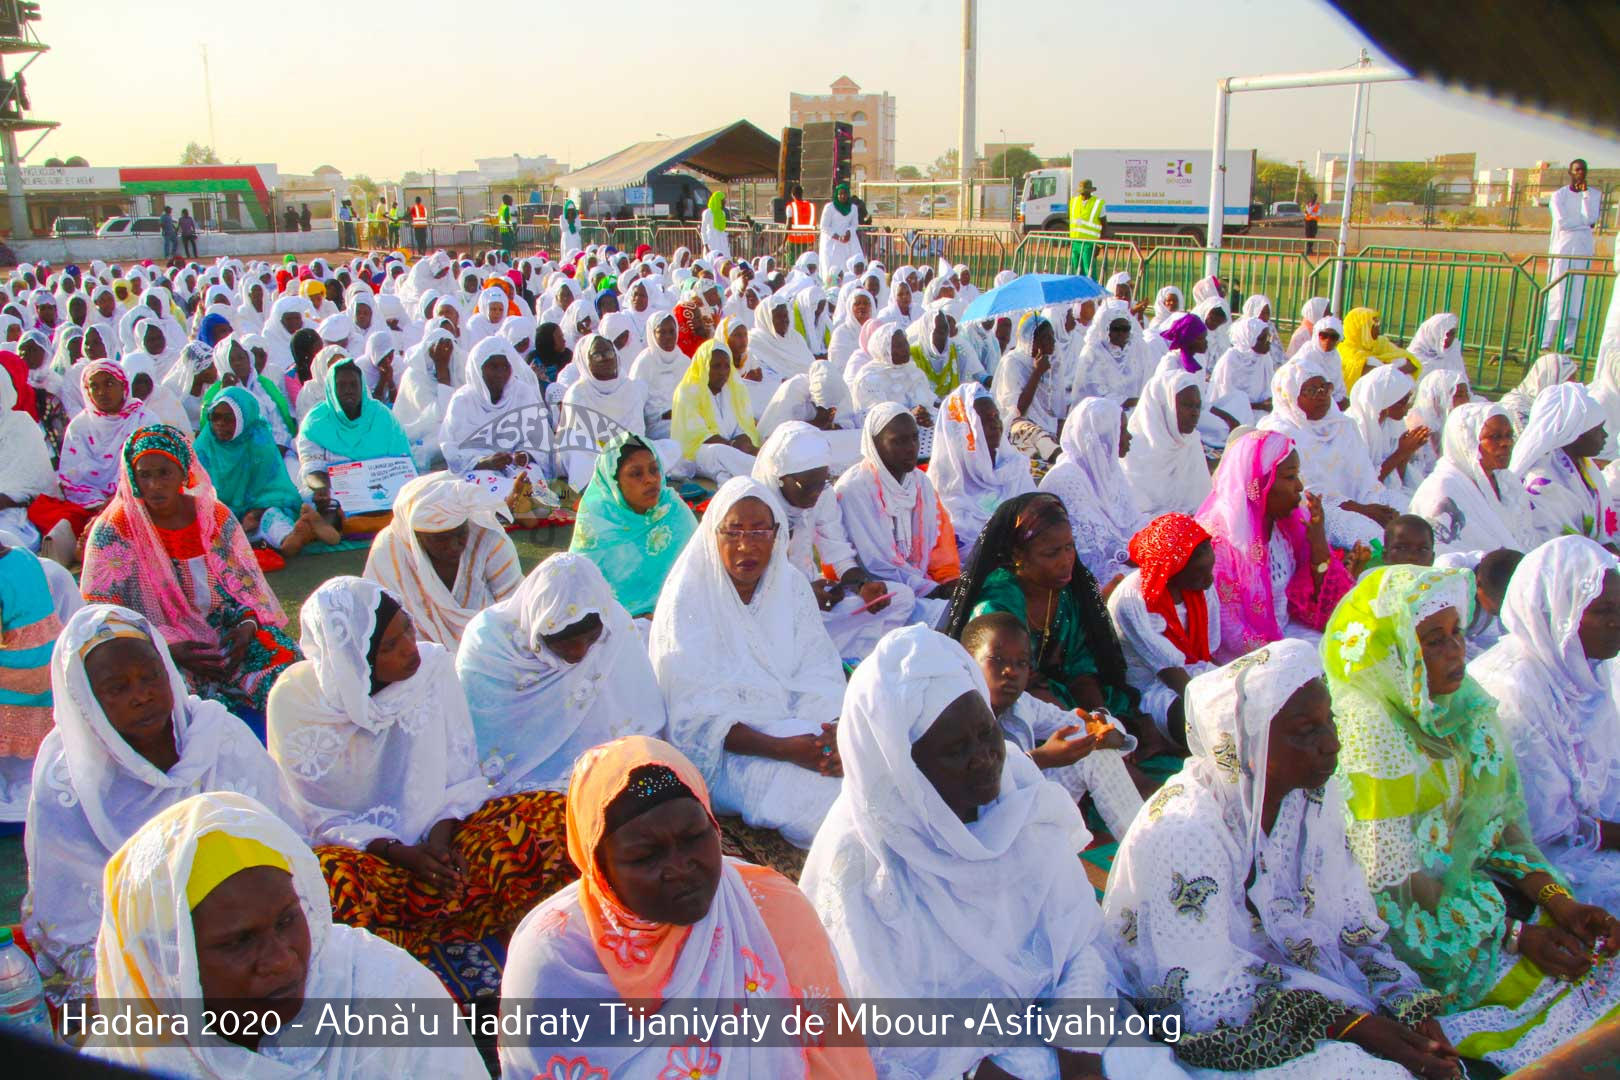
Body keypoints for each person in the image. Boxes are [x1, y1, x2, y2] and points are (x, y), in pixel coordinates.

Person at [800, 625, 1183, 1080]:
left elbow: (1077, 941)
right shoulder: (862, 862)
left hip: (1056, 1027)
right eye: (956, 750)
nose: (985, 758)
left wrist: (1078, 1058)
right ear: (905, 770)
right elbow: (890, 1034)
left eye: (986, 734)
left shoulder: (1019, 794)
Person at [1103, 639, 1458, 1080]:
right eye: (1306, 731)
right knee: (1363, 1070)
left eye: (1329, 721)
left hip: (1288, 980)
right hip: (1200, 1007)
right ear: (1250, 742)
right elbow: (1199, 986)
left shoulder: (1309, 798)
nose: (1332, 744)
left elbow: (1352, 923)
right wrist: (1350, 1025)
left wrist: (1406, 1006)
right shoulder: (1185, 827)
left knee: (1432, 1048)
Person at [1325, 564, 1620, 1074]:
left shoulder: (1464, 708)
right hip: (1421, 934)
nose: (1456, 650)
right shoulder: (1372, 734)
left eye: (1457, 633)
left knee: (1598, 960)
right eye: (1432, 641)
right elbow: (1394, 890)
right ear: (1393, 652)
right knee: (1566, 1015)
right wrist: (1516, 936)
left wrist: (1561, 901)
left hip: (1478, 901)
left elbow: (1506, 826)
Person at [499, 734, 875, 1080]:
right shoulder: (555, 958)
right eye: (646, 856)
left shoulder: (771, 906)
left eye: (695, 837)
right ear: (600, 869)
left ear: (714, 827)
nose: (679, 868)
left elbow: (831, 1050)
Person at [268, 577, 579, 962]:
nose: (409, 649)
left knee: (552, 816)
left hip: (448, 840)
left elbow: (459, 773)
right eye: (390, 646)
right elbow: (316, 816)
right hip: (372, 861)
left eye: (408, 630)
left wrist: (439, 844)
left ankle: (449, 924)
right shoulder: (296, 702)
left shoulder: (432, 668)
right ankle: (435, 936)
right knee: (325, 882)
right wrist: (402, 854)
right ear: (353, 660)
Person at [90, 791, 487, 1078]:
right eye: (238, 942)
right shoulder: (137, 1050)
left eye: (286, 921)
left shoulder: (386, 992)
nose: (282, 959)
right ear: (170, 961)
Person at [22, 606, 293, 1007]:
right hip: (140, 938)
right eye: (118, 688)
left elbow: (280, 839)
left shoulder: (217, 735)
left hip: (250, 914)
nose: (142, 695)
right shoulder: (66, 778)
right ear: (86, 700)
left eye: (151, 676)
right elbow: (76, 914)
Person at [649, 477, 846, 848]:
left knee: (872, 771)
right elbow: (695, 722)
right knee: (824, 805)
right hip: (728, 755)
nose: (746, 545)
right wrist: (788, 749)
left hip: (801, 732)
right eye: (734, 531)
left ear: (776, 535)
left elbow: (819, 671)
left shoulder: (792, 586)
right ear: (714, 534)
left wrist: (833, 735)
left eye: (759, 531)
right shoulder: (689, 597)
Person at [80, 424, 301, 714]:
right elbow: (101, 609)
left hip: (223, 632)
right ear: (132, 478)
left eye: (164, 473)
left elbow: (247, 588)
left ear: (184, 473)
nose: (155, 485)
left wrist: (247, 628)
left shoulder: (214, 516)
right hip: (151, 643)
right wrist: (163, 647)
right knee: (169, 700)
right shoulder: (114, 529)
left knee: (287, 670)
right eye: (144, 475)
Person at [1471, 536, 1620, 913]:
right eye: (1603, 610)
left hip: (1587, 839)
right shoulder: (1514, 688)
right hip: (1532, 866)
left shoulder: (1586, 671)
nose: (1617, 621)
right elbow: (1540, 829)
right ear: (1559, 613)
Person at [458, 553, 666, 801]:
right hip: (517, 786)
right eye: (563, 643)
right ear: (538, 628)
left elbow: (638, 717)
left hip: (604, 774)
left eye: (590, 639)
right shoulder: (490, 643)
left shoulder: (614, 625)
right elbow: (476, 739)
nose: (578, 653)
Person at [945, 491, 1140, 729]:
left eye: (1069, 547)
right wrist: (1076, 725)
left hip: (1061, 694)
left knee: (1135, 727)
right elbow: (1009, 682)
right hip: (1010, 699)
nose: (1066, 560)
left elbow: (1081, 668)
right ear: (1018, 555)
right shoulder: (996, 603)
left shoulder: (1067, 594)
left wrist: (1099, 715)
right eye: (1051, 553)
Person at [962, 611, 1143, 837]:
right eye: (997, 660)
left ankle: (1143, 845)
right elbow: (964, 786)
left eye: (1022, 663)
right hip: (974, 832)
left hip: (1024, 814)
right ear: (967, 660)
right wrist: (1040, 759)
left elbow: (1080, 722)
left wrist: (1106, 730)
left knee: (1093, 750)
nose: (1011, 671)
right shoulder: (951, 712)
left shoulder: (1023, 704)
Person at [751, 422, 916, 660]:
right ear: (779, 478)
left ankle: (821, 652)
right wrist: (802, 594)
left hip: (813, 604)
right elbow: (749, 588)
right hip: (769, 611)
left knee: (901, 598)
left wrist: (862, 586)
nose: (816, 493)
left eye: (823, 483)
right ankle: (817, 653)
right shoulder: (755, 509)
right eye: (808, 486)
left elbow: (838, 553)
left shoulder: (822, 495)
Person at [1196, 430, 1353, 660]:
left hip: (1289, 635)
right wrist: (1282, 655)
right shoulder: (1221, 541)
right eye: (1290, 477)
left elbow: (1322, 602)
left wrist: (1318, 544)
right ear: (1259, 482)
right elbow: (1230, 632)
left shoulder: (1288, 527)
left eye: (1297, 476)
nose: (1300, 487)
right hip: (1251, 657)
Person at [362, 471, 521, 649]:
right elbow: (378, 618)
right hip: (417, 657)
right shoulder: (389, 549)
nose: (454, 545)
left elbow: (515, 607)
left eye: (460, 533)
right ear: (415, 536)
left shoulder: (489, 538)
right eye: (440, 539)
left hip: (490, 648)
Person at [835, 403, 959, 622]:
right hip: (871, 590)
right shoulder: (854, 489)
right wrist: (932, 590)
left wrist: (946, 582)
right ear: (874, 445)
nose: (911, 448)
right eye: (899, 441)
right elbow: (876, 564)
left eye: (914, 438)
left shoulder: (920, 483)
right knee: (937, 613)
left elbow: (938, 546)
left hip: (919, 583)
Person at [1105, 513, 1221, 748]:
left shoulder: (1199, 587)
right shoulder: (1132, 601)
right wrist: (1215, 706)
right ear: (1172, 570)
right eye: (1200, 573)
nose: (1209, 581)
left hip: (1194, 674)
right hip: (1154, 690)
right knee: (1205, 722)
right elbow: (1171, 673)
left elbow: (1207, 651)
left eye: (1210, 569)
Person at [27, 361, 157, 565]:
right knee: (54, 519)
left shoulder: (144, 420)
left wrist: (120, 498)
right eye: (93, 386)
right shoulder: (80, 426)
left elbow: (152, 472)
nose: (101, 392)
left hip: (137, 499)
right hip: (89, 505)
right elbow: (73, 478)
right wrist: (98, 504)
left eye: (108, 384)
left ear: (123, 385)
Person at [1258, 357, 1397, 546]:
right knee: (1371, 536)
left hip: (1360, 504)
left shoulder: (1343, 425)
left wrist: (1378, 506)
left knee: (1403, 514)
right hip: (1316, 510)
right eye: (1311, 390)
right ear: (1289, 395)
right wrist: (1362, 510)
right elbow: (1305, 493)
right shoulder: (1279, 433)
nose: (1322, 395)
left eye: (1325, 387)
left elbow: (1365, 478)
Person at [568, 431, 697, 618]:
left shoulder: (671, 508)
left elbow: (700, 570)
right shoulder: (598, 519)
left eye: (654, 470)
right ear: (615, 483)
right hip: (614, 626)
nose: (651, 480)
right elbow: (580, 592)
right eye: (636, 474)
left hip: (679, 615)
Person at [196, 386, 334, 558]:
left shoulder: (258, 442)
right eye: (214, 417)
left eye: (228, 418)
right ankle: (306, 527)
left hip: (257, 514)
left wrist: (256, 513)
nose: (220, 424)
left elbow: (273, 489)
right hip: (222, 516)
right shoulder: (203, 447)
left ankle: (294, 535)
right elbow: (197, 493)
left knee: (273, 519)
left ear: (243, 419)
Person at [299, 356, 417, 524]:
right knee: (315, 501)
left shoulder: (382, 416)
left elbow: (402, 463)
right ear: (331, 389)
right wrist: (321, 488)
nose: (349, 390)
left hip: (382, 490)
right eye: (341, 385)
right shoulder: (315, 423)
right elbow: (311, 469)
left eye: (354, 385)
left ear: (362, 387)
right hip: (336, 489)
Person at [1406, 403, 1531, 558]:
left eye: (1509, 435)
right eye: (1495, 437)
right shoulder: (1441, 489)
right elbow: (1442, 552)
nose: (1507, 443)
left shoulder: (1506, 482)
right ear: (1467, 442)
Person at [929, 383, 1034, 556]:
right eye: (983, 420)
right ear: (963, 430)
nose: (995, 424)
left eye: (996, 416)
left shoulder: (1015, 469)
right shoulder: (945, 488)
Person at [1511, 382, 1616, 546]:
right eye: (1598, 429)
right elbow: (1563, 547)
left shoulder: (1585, 467)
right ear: (1573, 434)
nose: (1605, 435)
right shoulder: (1542, 483)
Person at [1122, 368, 1211, 516]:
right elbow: (1134, 514)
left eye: (1197, 406)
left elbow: (1203, 504)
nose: (1195, 413)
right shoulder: (1133, 450)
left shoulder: (1191, 442)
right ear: (1164, 407)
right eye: (1187, 405)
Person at [670, 338, 760, 483]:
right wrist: (733, 446)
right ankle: (763, 473)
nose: (723, 372)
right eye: (716, 366)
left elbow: (740, 426)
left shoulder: (731, 390)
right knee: (719, 452)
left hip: (730, 448)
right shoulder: (687, 392)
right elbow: (699, 436)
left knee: (749, 448)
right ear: (704, 367)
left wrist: (744, 441)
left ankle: (761, 466)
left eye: (726, 366)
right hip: (697, 453)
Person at [991, 311, 1066, 461]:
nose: (1052, 341)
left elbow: (1058, 411)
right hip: (1017, 427)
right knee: (1036, 437)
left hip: (1047, 431)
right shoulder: (1012, 362)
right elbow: (1018, 410)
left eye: (1052, 336)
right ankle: (1056, 455)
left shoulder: (1053, 361)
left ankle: (1055, 451)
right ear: (1030, 340)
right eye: (1045, 337)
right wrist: (1037, 372)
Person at [1545, 159, 1602, 351]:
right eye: (1577, 170)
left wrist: (1585, 196)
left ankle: (1569, 343)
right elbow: (1562, 222)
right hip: (1562, 249)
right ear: (1570, 172)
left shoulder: (1594, 194)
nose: (1580, 173)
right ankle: (1546, 341)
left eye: (1583, 170)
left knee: (1577, 296)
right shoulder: (1558, 196)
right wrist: (1583, 224)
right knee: (1557, 295)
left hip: (1583, 249)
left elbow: (1592, 218)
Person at [0, 355, 55, 550]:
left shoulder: (21, 426)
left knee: (7, 540)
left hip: (14, 517)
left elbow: (36, 487)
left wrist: (6, 497)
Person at [1346, 364, 1425, 499]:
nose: (1406, 408)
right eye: (1402, 402)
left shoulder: (1392, 424)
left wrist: (1407, 452)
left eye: (1408, 400)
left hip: (1385, 492)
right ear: (1384, 400)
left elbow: (1397, 479)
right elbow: (1364, 485)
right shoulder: (1353, 428)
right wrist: (1401, 452)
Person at [1338, 307, 1418, 391]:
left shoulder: (1380, 343)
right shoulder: (1347, 351)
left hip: (1390, 389)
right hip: (1365, 394)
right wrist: (1393, 372)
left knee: (1401, 361)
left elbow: (1412, 362)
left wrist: (1394, 372)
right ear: (1361, 329)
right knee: (1372, 361)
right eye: (1374, 326)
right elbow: (1374, 374)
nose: (1378, 330)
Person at [818, 181, 861, 273]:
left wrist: (849, 232)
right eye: (840, 194)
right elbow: (824, 226)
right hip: (832, 242)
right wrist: (838, 237)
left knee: (847, 268)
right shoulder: (829, 207)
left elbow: (854, 224)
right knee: (831, 269)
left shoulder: (853, 208)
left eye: (845, 193)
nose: (842, 196)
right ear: (836, 195)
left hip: (847, 241)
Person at [1067, 177, 1107, 275]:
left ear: (1090, 191)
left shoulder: (1098, 203)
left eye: (1085, 191)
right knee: (1077, 272)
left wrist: (1099, 245)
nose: (1083, 193)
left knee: (1089, 272)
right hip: (1075, 242)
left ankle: (1092, 290)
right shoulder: (1073, 202)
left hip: (1090, 243)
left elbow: (1104, 225)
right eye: (1081, 191)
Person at [700, 189, 730, 258]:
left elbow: (722, 230)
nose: (724, 204)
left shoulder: (723, 213)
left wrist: (730, 235)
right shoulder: (708, 212)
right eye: (722, 202)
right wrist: (706, 245)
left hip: (722, 242)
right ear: (718, 201)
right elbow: (703, 230)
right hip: (712, 241)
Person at [786, 181, 816, 246]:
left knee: (793, 256)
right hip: (809, 239)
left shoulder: (791, 206)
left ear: (792, 194)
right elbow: (814, 224)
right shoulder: (811, 206)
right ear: (802, 193)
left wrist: (784, 240)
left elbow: (788, 225)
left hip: (794, 240)